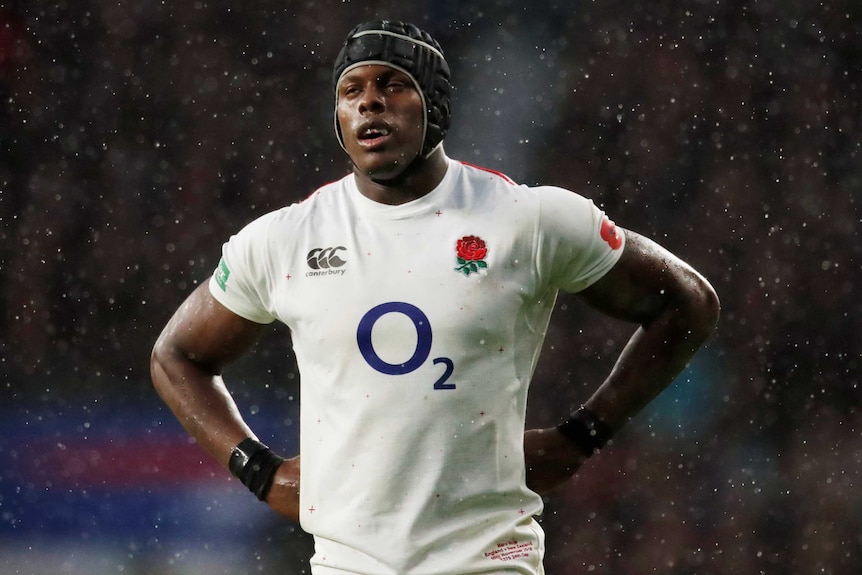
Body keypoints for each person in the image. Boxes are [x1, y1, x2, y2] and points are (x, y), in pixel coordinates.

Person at [150, 20, 720, 575]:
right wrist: (257, 469)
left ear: (437, 105)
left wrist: (584, 433)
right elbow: (176, 357)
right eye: (352, 91)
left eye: (392, 85)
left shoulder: (528, 220)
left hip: (486, 560)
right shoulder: (285, 240)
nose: (369, 103)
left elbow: (687, 302)